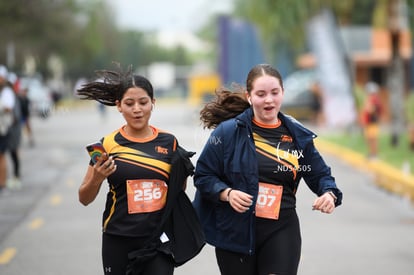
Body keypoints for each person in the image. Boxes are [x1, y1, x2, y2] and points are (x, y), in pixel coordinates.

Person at [193, 64, 343, 275]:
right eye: (261, 94)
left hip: (281, 229)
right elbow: (203, 175)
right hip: (236, 232)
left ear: (283, 93)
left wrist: (328, 193)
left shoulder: (298, 136)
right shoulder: (227, 133)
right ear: (249, 96)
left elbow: (319, 174)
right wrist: (227, 193)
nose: (269, 100)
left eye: (274, 92)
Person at [77, 65, 193, 275]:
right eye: (129, 103)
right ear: (119, 105)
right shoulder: (107, 145)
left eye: (143, 102)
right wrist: (97, 177)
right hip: (118, 239)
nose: (137, 109)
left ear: (153, 103)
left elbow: (178, 188)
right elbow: (84, 198)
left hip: (157, 240)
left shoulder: (170, 142)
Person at [0, 65, 16, 194]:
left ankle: (2, 184)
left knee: (1, 156)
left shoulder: (7, 92)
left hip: (3, 129)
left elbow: (8, 108)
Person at [361, 81, 382, 159]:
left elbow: (372, 110)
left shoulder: (374, 99)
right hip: (369, 122)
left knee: (373, 139)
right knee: (369, 138)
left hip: (372, 122)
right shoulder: (371, 99)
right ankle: (371, 153)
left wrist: (367, 108)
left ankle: (374, 154)